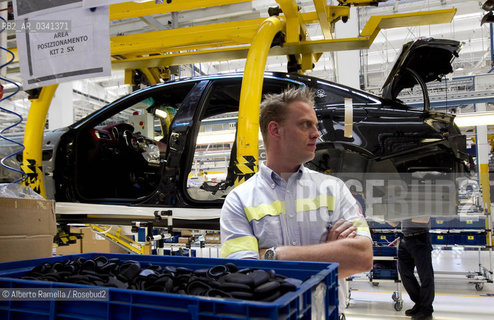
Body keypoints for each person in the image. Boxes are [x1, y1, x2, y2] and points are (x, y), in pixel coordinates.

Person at [220, 87, 373, 315]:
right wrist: (328, 252)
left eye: (315, 125)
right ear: (275, 130)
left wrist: (272, 255)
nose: (316, 134)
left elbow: (361, 257)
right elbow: (244, 276)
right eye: (305, 125)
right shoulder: (239, 200)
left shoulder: (334, 190)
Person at [398, 217, 434, 320]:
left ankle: (426, 310)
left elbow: (425, 219)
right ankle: (419, 303)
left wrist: (402, 213)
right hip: (405, 238)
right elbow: (394, 223)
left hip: (420, 238)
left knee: (426, 276)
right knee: (404, 273)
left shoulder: (420, 202)